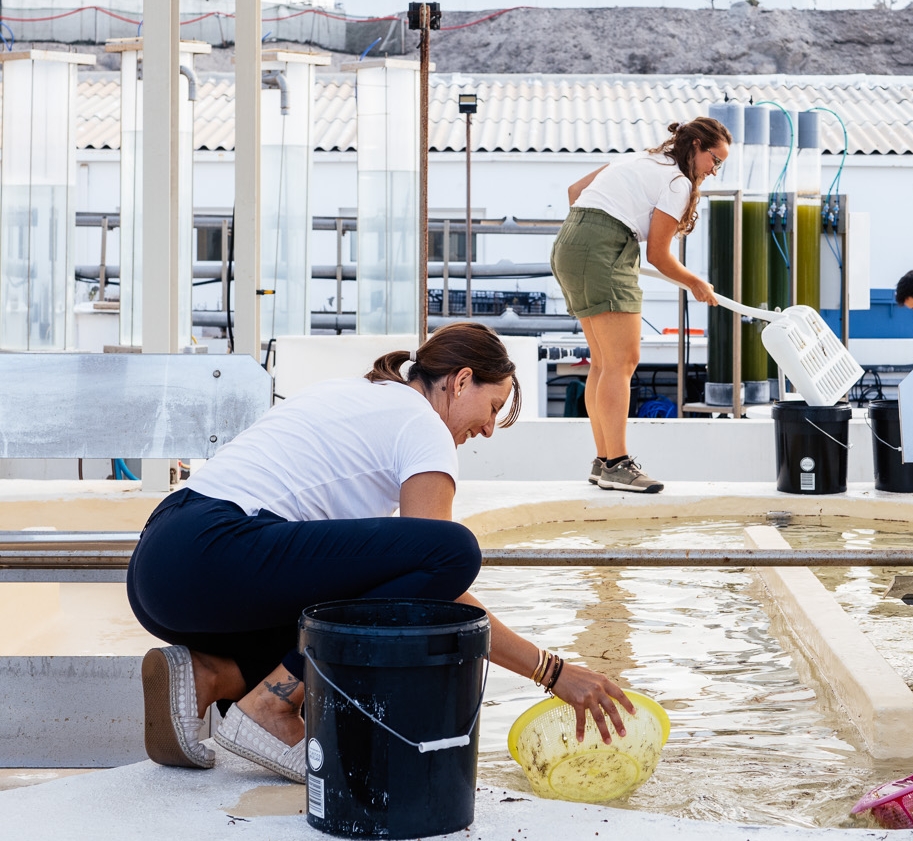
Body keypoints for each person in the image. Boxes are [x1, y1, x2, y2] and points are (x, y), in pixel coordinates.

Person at [128, 322, 633, 784]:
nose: (487, 429)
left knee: (349, 600)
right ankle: (271, 707)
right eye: (494, 407)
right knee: (450, 552)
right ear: (460, 382)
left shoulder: (354, 394)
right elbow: (442, 583)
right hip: (215, 549)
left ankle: (206, 675)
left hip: (161, 563)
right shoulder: (423, 426)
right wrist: (552, 671)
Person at [551, 117, 728, 493]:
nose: (715, 170)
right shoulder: (678, 181)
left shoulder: (639, 160)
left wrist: (596, 229)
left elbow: (574, 191)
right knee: (623, 361)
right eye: (715, 160)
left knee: (603, 362)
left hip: (571, 243)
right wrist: (696, 283)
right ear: (695, 146)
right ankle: (616, 463)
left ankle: (604, 461)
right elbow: (660, 256)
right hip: (603, 251)